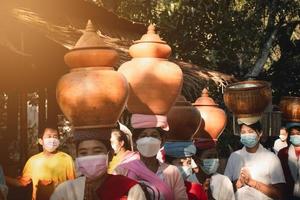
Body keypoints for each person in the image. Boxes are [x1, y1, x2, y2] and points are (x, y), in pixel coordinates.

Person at [50, 129, 146, 200]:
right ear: (77, 157)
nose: (90, 157)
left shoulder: (129, 189)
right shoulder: (65, 191)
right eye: (83, 153)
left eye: (97, 151)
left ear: (111, 155)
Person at [115, 114, 188, 200]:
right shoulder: (121, 170)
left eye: (154, 136)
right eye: (143, 136)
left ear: (162, 141)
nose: (148, 140)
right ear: (135, 141)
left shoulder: (173, 172)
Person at [5, 126, 75, 200]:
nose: (52, 140)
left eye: (55, 137)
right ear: (40, 141)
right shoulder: (33, 161)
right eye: (49, 136)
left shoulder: (66, 159)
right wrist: (3, 177)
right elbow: (22, 183)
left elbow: (73, 186)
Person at [224, 118, 285, 200]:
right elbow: (224, 190)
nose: (247, 135)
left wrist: (252, 182)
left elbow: (279, 194)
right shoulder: (234, 156)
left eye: (250, 132)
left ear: (260, 133)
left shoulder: (271, 158)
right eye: (243, 132)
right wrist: (238, 184)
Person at [278, 122, 300, 199]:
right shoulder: (283, 152)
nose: (295, 136)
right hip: (287, 193)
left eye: (298, 133)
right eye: (293, 134)